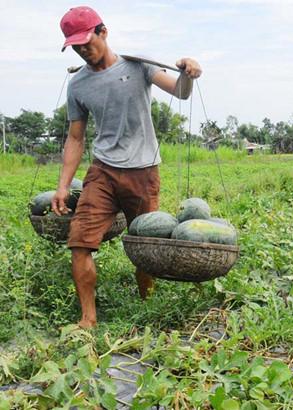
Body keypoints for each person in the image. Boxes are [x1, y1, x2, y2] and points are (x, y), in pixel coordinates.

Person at [51, 6, 202, 328]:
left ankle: (146, 302)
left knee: (144, 243)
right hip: (102, 171)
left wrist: (187, 74)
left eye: (86, 42)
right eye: (75, 46)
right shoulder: (78, 85)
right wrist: (63, 185)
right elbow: (75, 138)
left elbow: (180, 92)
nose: (82, 50)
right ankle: (87, 319)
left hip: (144, 171)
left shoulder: (139, 66)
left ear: (103, 32)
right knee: (79, 242)